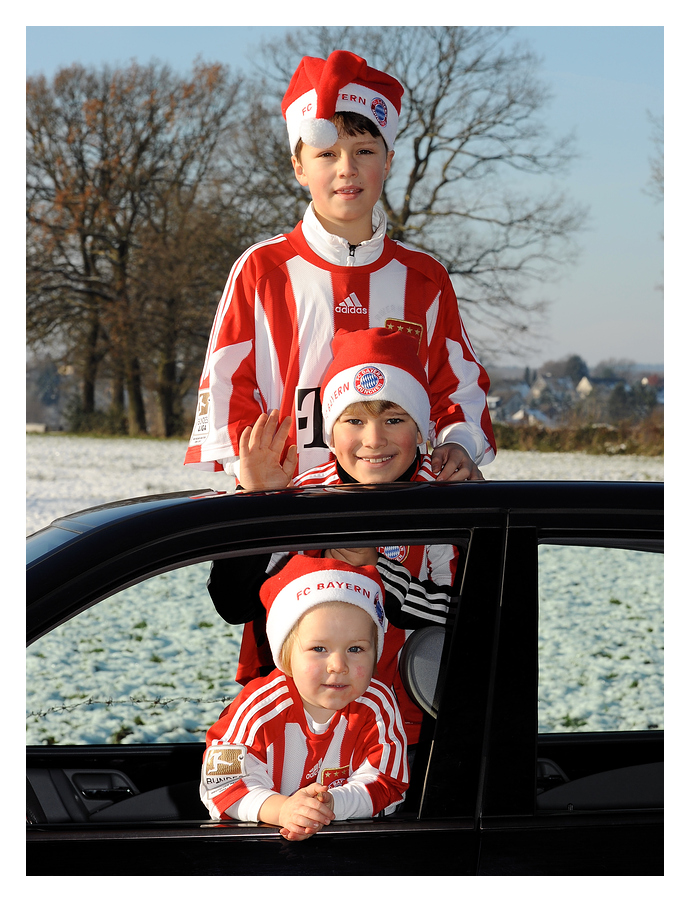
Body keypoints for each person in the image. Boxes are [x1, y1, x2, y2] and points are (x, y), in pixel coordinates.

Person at [184, 49, 496, 488]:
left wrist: (459, 443)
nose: (347, 169)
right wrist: (247, 470)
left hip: (402, 522)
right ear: (299, 168)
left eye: (364, 150)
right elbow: (224, 389)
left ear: (387, 161)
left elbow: (457, 387)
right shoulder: (261, 269)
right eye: (327, 154)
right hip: (283, 514)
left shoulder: (426, 278)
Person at [209, 327, 464, 744]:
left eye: (394, 419)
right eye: (354, 420)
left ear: (420, 429)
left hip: (407, 729)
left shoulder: (443, 499)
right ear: (331, 430)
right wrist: (254, 505)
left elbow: (465, 611)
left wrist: (376, 572)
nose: (373, 440)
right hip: (302, 728)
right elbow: (234, 601)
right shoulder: (306, 497)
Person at [200, 555, 409, 841]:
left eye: (356, 649)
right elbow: (221, 783)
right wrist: (284, 810)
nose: (338, 665)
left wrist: (330, 805)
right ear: (286, 655)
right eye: (319, 648)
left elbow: (389, 782)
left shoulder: (378, 704)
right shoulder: (258, 707)